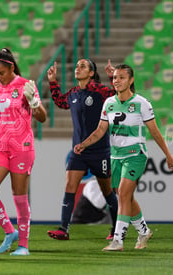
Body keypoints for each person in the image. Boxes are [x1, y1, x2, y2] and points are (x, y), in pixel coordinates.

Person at [74, 64, 173, 251]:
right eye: (115, 78)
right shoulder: (109, 103)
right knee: (123, 195)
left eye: (121, 77)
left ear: (131, 80)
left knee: (123, 193)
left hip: (135, 154)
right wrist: (84, 144)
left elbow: (154, 131)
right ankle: (143, 231)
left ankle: (118, 240)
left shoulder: (142, 103)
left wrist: (168, 154)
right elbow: (100, 131)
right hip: (116, 156)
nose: (117, 81)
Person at [0, 48, 47, 256]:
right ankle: (9, 231)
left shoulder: (26, 86)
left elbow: (42, 118)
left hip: (22, 148)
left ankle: (23, 245)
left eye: (1, 73)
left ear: (11, 67)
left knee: (19, 198)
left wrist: (35, 103)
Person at [46, 59, 119, 241]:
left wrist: (112, 76)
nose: (77, 68)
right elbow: (61, 102)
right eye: (77, 65)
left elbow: (120, 95)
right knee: (70, 187)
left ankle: (116, 229)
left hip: (100, 151)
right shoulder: (74, 93)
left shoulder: (101, 91)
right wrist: (53, 82)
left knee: (108, 192)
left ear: (92, 73)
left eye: (83, 66)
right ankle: (63, 229)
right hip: (78, 151)